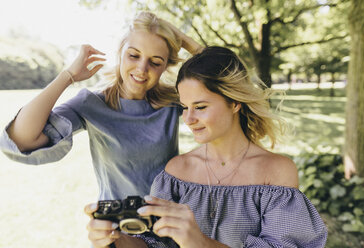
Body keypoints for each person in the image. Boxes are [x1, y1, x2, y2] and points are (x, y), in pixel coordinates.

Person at [85, 46, 327, 248]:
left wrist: (200, 242)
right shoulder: (176, 172)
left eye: (200, 107)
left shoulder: (276, 173)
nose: (188, 119)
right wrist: (116, 239)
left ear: (235, 103)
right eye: (184, 107)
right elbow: (153, 243)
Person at [0, 11, 202, 200]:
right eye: (134, 55)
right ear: (120, 53)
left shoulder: (173, 101)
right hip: (116, 228)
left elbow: (226, 86)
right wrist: (68, 76)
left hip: (168, 227)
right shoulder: (92, 104)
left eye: (155, 62)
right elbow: (22, 138)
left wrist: (186, 41)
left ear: (165, 66)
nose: (142, 68)